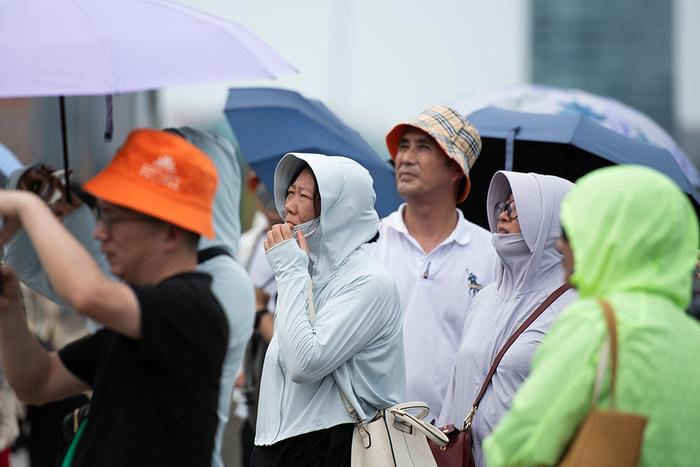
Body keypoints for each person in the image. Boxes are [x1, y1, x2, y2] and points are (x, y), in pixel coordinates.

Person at [4, 127, 256, 467]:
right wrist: (8, 309)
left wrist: (29, 208)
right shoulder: (138, 318)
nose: (99, 232)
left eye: (114, 218)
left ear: (170, 231)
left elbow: (87, 294)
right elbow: (36, 381)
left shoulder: (196, 305)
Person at [484, 165, 700, 467]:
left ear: (611, 238)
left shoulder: (595, 323)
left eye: (573, 232)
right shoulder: (691, 335)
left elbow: (518, 448)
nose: (560, 244)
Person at [252, 153, 405, 466]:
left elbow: (304, 364)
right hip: (275, 444)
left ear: (339, 210)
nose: (289, 207)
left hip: (330, 444)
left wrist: (291, 272)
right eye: (290, 193)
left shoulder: (369, 282)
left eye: (304, 196)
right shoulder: (303, 268)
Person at [365, 105, 497, 420]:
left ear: (455, 169)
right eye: (403, 146)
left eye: (423, 147)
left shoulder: (491, 254)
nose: (405, 158)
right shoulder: (369, 241)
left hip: (452, 440)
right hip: (372, 436)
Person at [437, 171, 576, 467]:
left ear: (552, 223)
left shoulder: (574, 309)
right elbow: (456, 385)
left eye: (517, 208)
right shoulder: (487, 297)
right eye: (503, 206)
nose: (503, 216)